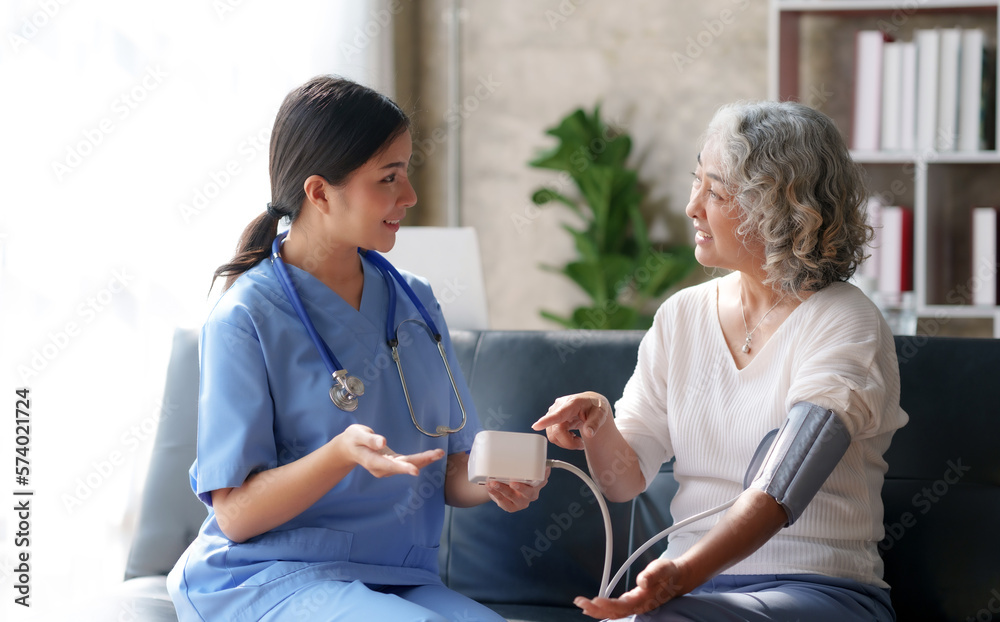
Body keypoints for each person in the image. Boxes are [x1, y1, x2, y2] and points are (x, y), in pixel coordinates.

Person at [166, 75, 546, 622]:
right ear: (319, 193)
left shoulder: (414, 302)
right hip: (270, 576)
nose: (410, 196)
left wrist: (496, 479)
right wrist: (340, 455)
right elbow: (237, 515)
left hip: (396, 577)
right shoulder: (244, 316)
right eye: (388, 178)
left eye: (406, 172)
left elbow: (451, 470)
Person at [533, 100, 908, 622]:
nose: (692, 207)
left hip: (819, 590)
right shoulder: (681, 317)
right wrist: (599, 422)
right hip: (689, 596)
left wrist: (681, 577)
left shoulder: (846, 321)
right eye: (696, 182)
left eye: (716, 192)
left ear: (779, 208)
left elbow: (782, 486)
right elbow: (624, 481)